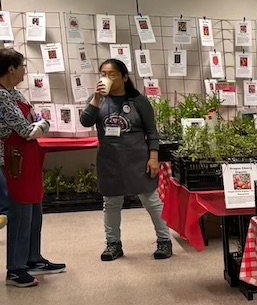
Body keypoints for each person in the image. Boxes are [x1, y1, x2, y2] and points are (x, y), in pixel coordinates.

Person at [81, 58, 173, 260]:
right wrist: (96, 99)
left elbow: (152, 132)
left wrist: (154, 157)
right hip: (109, 161)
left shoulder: (138, 101)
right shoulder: (98, 100)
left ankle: (164, 241)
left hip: (138, 159)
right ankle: (113, 244)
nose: (107, 78)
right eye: (103, 74)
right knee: (111, 203)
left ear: (123, 77)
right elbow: (85, 121)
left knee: (151, 201)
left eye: (112, 74)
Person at [0, 48, 64, 286]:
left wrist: (40, 124)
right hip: (11, 160)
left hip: (28, 158)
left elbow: (36, 119)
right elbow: (27, 129)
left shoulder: (15, 94)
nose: (25, 71)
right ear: (11, 69)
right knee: (20, 213)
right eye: (22, 67)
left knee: (35, 210)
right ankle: (15, 269)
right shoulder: (2, 96)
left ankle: (32, 258)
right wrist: (41, 124)